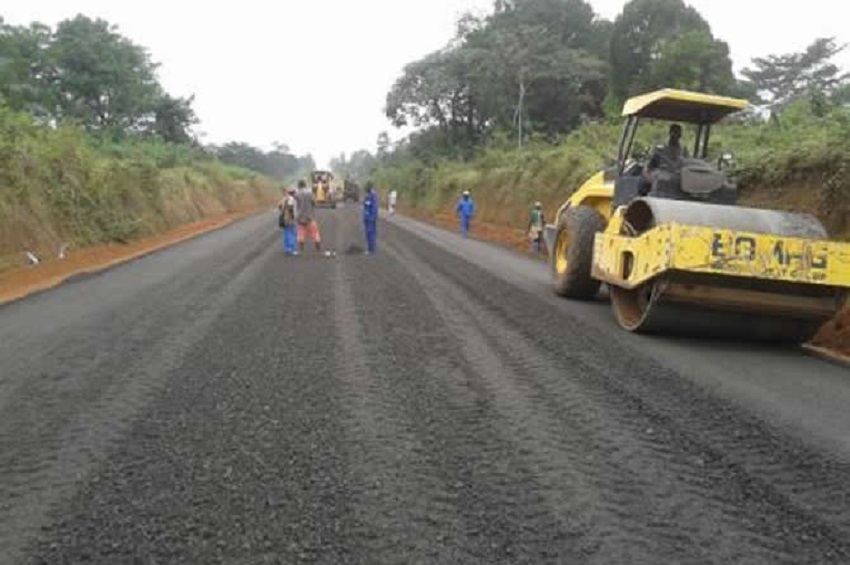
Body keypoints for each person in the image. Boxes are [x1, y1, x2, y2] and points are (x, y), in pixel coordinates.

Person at [294, 179, 322, 253]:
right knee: (315, 233)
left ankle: (301, 250)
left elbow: (295, 205)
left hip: (300, 218)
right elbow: (314, 203)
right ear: (305, 185)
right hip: (309, 217)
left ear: (299, 186)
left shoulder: (296, 195)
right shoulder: (310, 194)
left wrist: (296, 216)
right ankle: (318, 249)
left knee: (300, 234)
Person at [278, 187, 298, 255]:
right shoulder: (291, 199)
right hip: (289, 218)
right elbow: (290, 208)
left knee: (286, 233)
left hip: (284, 218)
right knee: (291, 233)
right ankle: (291, 249)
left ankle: (286, 248)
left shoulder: (284, 198)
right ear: (293, 193)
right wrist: (293, 217)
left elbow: (279, 206)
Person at [363, 181, 379, 254]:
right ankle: (370, 249)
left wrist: (372, 217)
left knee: (370, 233)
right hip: (367, 217)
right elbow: (366, 205)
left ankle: (371, 250)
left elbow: (374, 207)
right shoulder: (368, 195)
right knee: (368, 233)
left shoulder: (373, 195)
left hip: (370, 218)